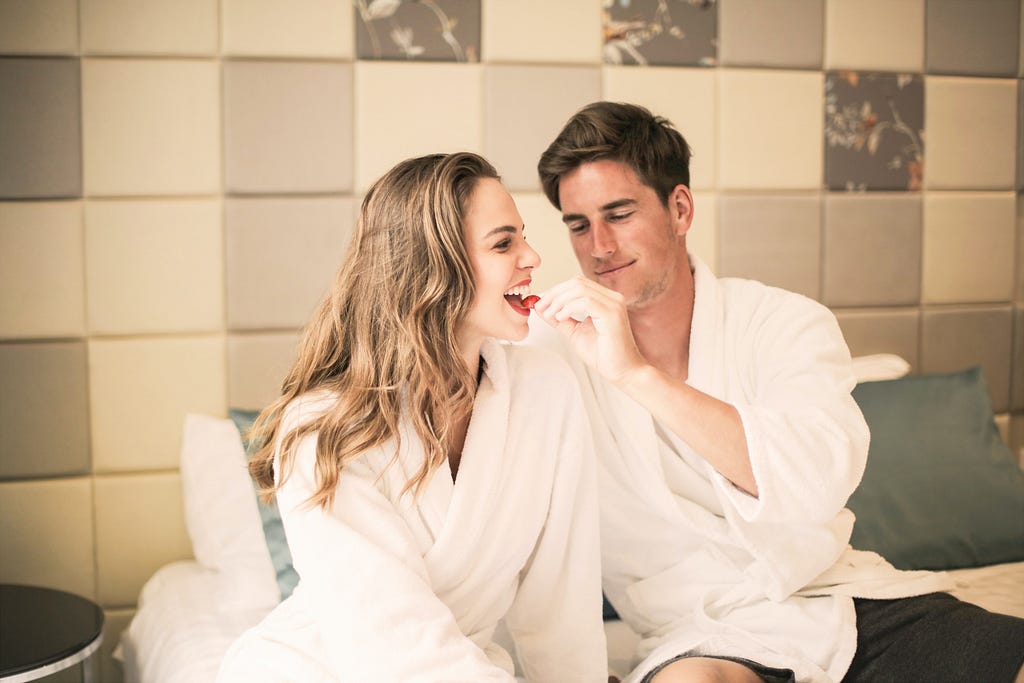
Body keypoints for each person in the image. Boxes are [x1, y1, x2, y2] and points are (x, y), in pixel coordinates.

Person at [528, 102, 1024, 683]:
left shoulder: (785, 322)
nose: (600, 246)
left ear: (680, 208)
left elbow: (809, 481)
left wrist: (636, 375)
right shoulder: (553, 353)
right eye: (578, 224)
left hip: (846, 601)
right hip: (698, 634)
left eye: (619, 214)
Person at [216, 152, 608, 682]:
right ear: (432, 266)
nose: (533, 256)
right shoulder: (322, 429)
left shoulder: (547, 391)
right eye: (503, 243)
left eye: (523, 236)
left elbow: (562, 601)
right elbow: (395, 644)